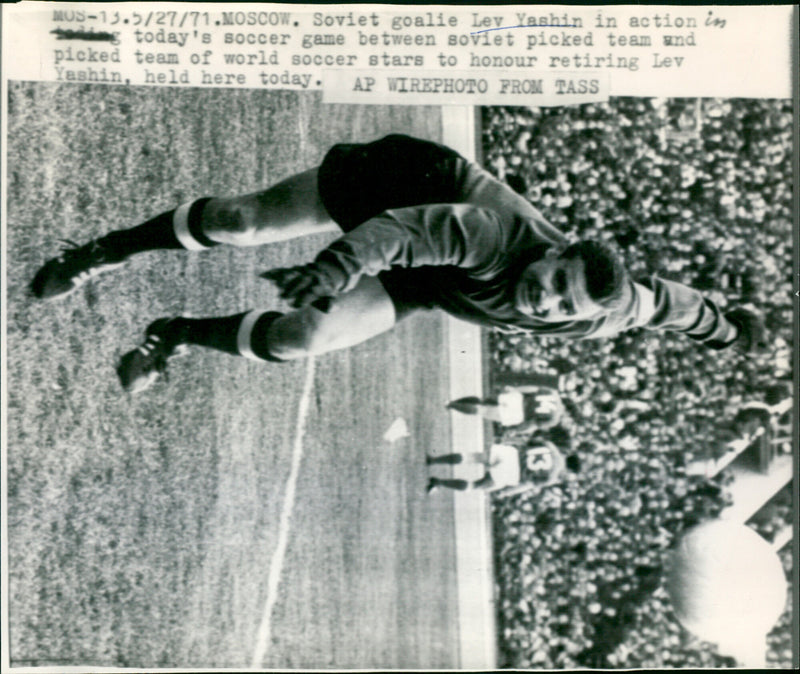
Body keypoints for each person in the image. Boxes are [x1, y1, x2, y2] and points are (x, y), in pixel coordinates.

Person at [29, 134, 766, 394]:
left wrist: (724, 331)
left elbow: (672, 304)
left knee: (299, 340)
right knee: (241, 221)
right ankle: (100, 253)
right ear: (557, 251)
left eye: (562, 304)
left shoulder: (604, 313)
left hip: (432, 284)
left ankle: (172, 334)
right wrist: (334, 267)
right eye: (553, 279)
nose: (546, 301)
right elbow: (400, 236)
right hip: (408, 189)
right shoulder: (495, 236)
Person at [426, 439, 571, 495]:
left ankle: (434, 460)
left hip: (512, 455)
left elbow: (527, 443)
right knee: (475, 486)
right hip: (513, 474)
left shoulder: (551, 446)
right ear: (568, 470)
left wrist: (509, 441)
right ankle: (439, 482)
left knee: (471, 457)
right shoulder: (552, 477)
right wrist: (507, 492)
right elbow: (528, 484)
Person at [447, 386, 565, 438]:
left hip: (518, 399)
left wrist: (515, 390)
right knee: (482, 411)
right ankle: (452, 405)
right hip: (518, 414)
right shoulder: (554, 419)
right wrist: (516, 430)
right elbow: (532, 425)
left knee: (482, 400)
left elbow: (531, 389)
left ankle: (452, 403)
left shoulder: (553, 393)